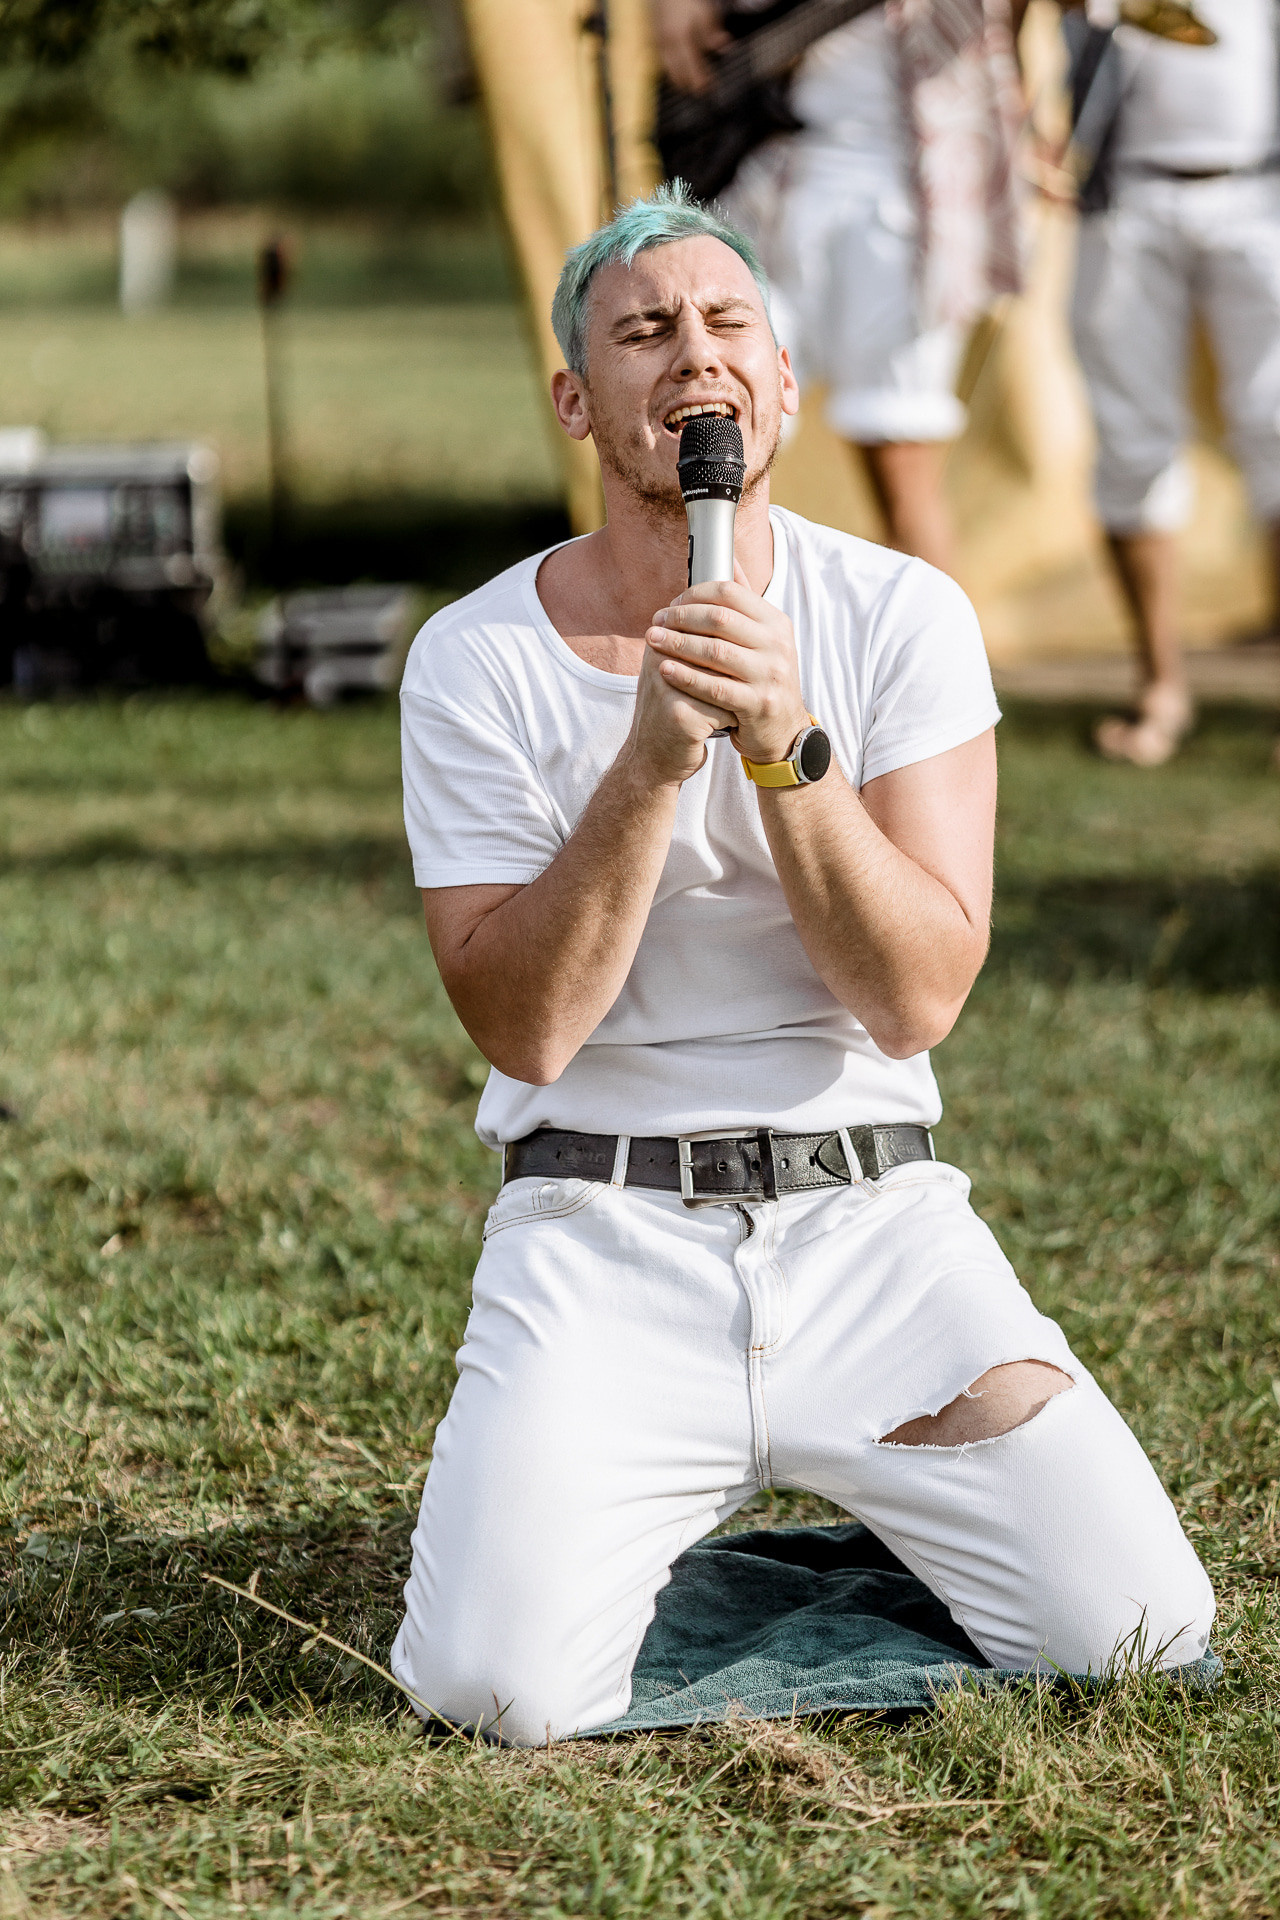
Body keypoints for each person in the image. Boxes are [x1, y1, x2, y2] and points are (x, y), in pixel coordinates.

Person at [390, 186, 1213, 1745]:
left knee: (1145, 1630)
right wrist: (646, 766)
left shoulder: (903, 614)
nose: (690, 354)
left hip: (871, 1224)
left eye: (726, 324)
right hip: (600, 1220)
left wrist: (786, 748)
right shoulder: (476, 655)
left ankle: (882, 1518)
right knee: (489, 1687)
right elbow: (526, 1026)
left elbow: (917, 995)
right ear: (580, 398)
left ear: (780, 383)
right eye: (642, 332)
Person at [650, 0, 1028, 575]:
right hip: (759, 184)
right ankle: (696, 649)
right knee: (710, 449)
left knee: (900, 459)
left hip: (898, 203)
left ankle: (918, 662)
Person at [1065, 0, 1280, 764]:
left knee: (1278, 428)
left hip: (1263, 197)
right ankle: (1161, 687)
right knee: (1131, 438)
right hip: (1122, 198)